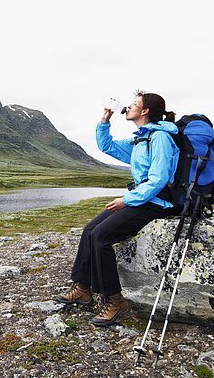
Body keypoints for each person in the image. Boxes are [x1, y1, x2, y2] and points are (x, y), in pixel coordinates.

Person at [55, 91, 179, 327]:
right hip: (141, 199)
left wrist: (128, 199)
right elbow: (108, 147)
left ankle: (115, 300)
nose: (128, 107)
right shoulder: (141, 138)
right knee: (90, 230)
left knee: (102, 237)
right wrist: (105, 120)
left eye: (134, 104)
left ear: (145, 111)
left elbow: (159, 179)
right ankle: (83, 289)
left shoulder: (160, 138)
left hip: (156, 202)